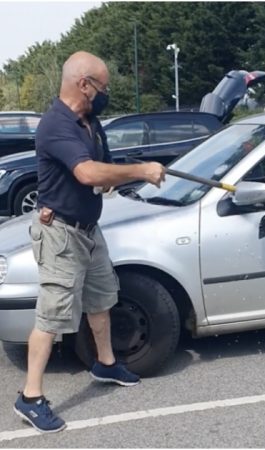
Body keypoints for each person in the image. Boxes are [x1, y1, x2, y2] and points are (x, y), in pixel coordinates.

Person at [13, 51, 166, 433]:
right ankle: (30, 397)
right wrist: (143, 171)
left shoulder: (91, 122)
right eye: (103, 87)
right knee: (52, 316)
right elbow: (85, 172)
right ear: (84, 84)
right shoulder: (55, 125)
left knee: (101, 300)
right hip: (60, 235)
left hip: (89, 230)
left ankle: (106, 363)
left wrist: (125, 174)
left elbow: (102, 175)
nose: (106, 94)